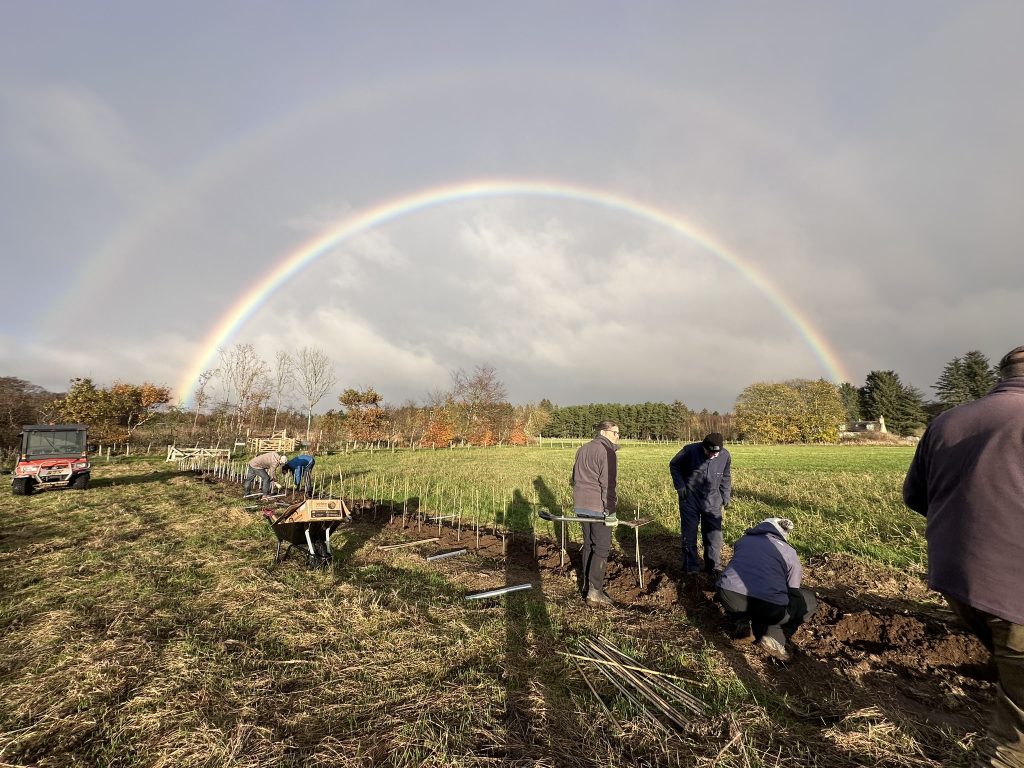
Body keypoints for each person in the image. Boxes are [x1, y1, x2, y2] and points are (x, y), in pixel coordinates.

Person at [903, 345, 1024, 767]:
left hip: (957, 579)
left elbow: (916, 495)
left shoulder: (947, 421)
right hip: (1015, 591)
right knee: (1013, 744)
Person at [716, 517, 817, 662]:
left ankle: (741, 623)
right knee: (808, 600)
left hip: (728, 595)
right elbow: (793, 590)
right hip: (769, 607)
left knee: (739, 590)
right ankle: (775, 636)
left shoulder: (743, 541)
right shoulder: (789, 552)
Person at [571, 420, 620, 607]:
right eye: (616, 433)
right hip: (598, 507)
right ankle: (595, 592)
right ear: (605, 432)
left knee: (589, 544)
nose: (617, 437)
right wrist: (611, 512)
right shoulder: (607, 452)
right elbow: (609, 484)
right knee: (601, 547)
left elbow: (574, 477)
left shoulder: (582, 449)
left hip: (580, 506)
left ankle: (586, 586)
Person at [669, 432, 732, 577]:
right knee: (689, 533)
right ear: (703, 447)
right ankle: (690, 567)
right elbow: (674, 465)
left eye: (716, 452)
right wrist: (680, 486)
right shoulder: (689, 451)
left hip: (713, 499)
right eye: (710, 452)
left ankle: (713, 567)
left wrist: (726, 494)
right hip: (690, 498)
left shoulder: (725, 456)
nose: (713, 455)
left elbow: (726, 475)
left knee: (714, 535)